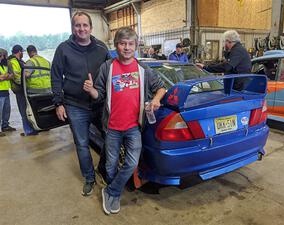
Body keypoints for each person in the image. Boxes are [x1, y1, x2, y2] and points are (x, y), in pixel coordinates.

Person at [83, 27, 166, 215]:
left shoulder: (143, 69)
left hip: (133, 127)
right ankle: (114, 194)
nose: (126, 48)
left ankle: (111, 191)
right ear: (116, 46)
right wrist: (90, 90)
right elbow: (99, 95)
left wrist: (156, 99)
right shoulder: (107, 67)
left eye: (130, 44)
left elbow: (161, 88)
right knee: (111, 165)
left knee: (131, 163)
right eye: (122, 44)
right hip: (112, 127)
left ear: (136, 46)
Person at [51, 11, 111, 196]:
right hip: (75, 105)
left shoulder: (101, 48)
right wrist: (58, 103)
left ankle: (102, 168)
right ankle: (89, 177)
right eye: (78, 25)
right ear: (73, 28)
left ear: (91, 28)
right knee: (82, 143)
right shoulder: (63, 49)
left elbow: (111, 74)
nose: (82, 29)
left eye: (85, 25)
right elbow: (55, 77)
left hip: (99, 104)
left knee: (111, 139)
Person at [8, 45, 37, 136]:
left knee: (28, 109)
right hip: (20, 89)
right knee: (24, 110)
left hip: (24, 89)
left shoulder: (19, 61)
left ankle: (33, 128)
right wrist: (24, 84)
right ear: (19, 52)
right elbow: (16, 76)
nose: (23, 54)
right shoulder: (13, 61)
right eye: (22, 52)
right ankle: (28, 130)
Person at [0, 48, 16, 134]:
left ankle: (5, 126)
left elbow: (12, 76)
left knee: (7, 110)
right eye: (3, 56)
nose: (4, 58)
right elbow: (1, 78)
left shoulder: (5, 65)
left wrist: (4, 77)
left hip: (6, 90)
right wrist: (6, 76)